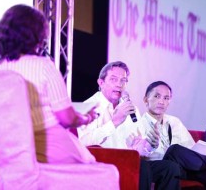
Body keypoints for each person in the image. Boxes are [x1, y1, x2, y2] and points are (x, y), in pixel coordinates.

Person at [0, 4, 119, 188]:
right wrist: (84, 118)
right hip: (48, 143)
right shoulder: (43, 66)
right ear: (38, 34)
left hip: (11, 157)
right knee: (107, 174)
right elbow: (66, 118)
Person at [77, 61, 180, 190]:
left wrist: (150, 145)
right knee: (142, 167)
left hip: (131, 161)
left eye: (123, 80)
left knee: (170, 168)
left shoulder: (131, 108)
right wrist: (114, 122)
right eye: (114, 79)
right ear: (101, 83)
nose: (119, 85)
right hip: (105, 163)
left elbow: (138, 147)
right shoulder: (89, 107)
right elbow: (83, 142)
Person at [141, 81, 206, 190]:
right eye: (157, 96)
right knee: (174, 149)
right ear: (145, 100)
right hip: (159, 167)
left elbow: (191, 150)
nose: (161, 101)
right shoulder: (138, 124)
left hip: (182, 167)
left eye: (166, 98)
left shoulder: (174, 122)